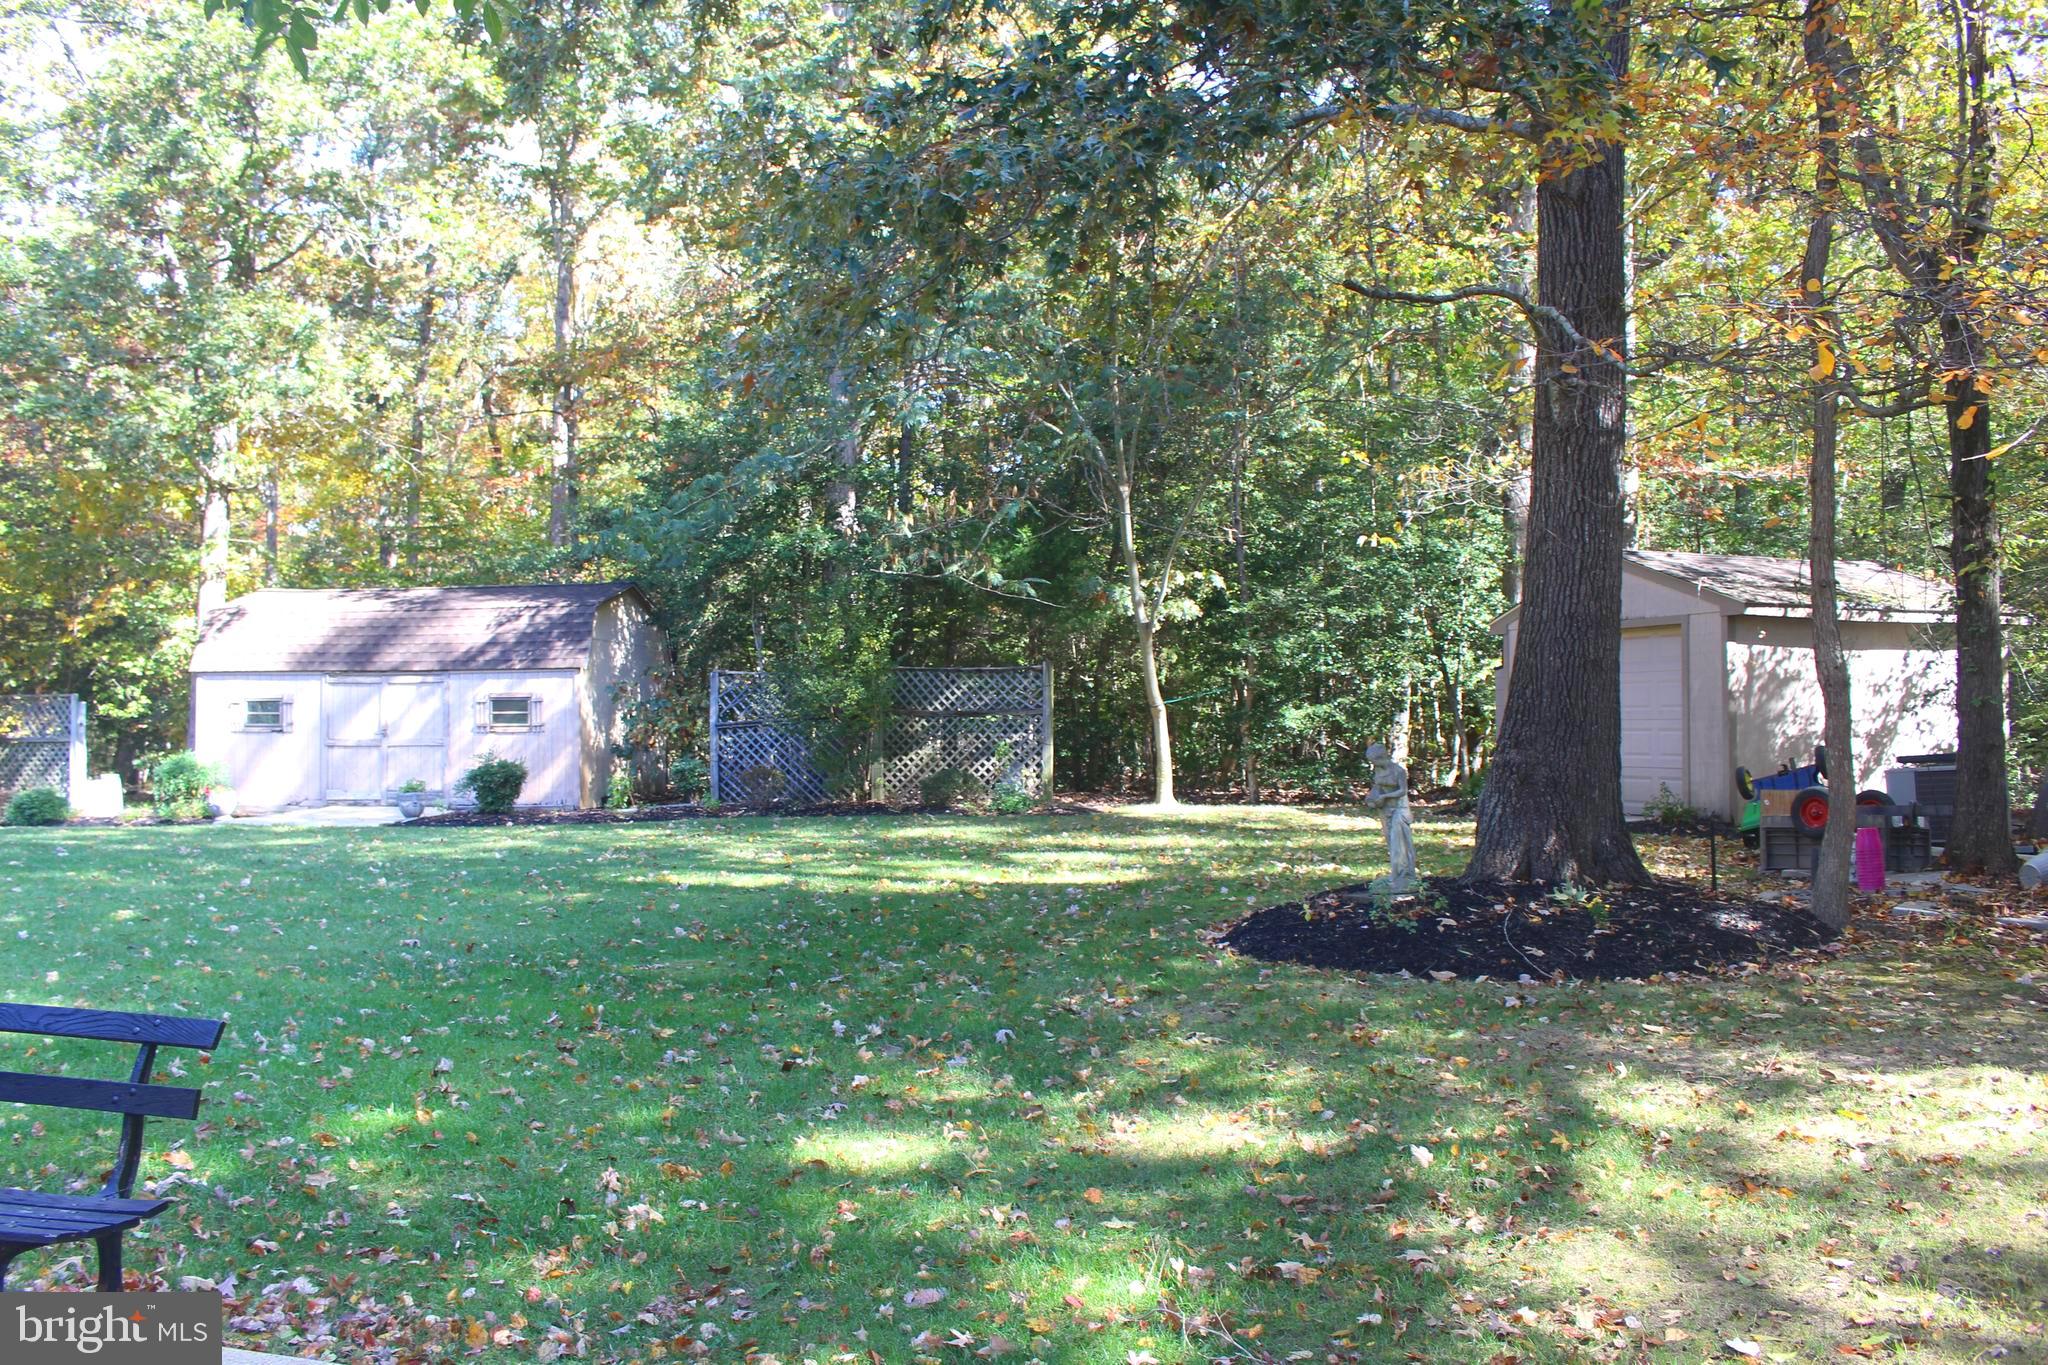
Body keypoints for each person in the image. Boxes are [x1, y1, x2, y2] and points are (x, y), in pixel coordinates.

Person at [1364, 742, 1416, 892]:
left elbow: (1402, 791)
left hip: (1400, 808)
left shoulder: (1398, 771)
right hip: (1385, 810)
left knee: (1399, 841)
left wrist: (1385, 796)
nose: (1372, 764)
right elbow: (1377, 787)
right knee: (1390, 841)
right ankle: (1397, 874)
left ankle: (1404, 874)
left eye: (1373, 760)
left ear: (1380, 757)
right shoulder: (1378, 771)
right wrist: (1371, 798)